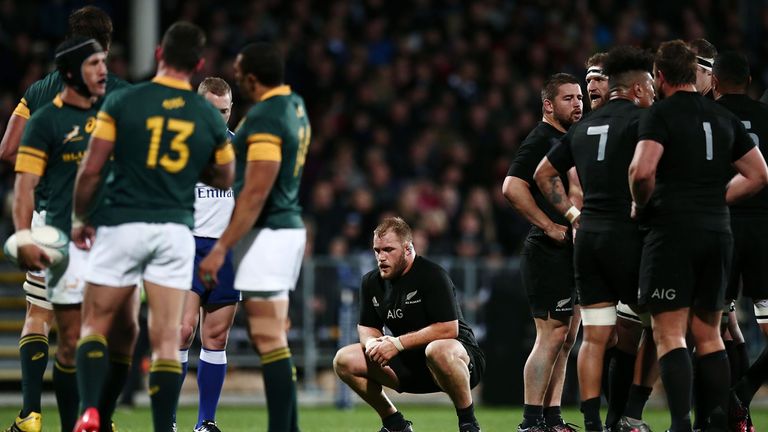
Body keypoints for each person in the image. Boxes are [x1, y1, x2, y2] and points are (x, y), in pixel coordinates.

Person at [70, 21, 234, 432]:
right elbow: (227, 176)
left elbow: (91, 169)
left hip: (123, 223)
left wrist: (81, 217)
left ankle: (90, 408)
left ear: (159, 53)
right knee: (166, 337)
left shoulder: (124, 101)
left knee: (98, 321)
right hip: (175, 233)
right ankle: (166, 427)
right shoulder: (203, 116)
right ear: (197, 63)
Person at [0, 7, 130, 432]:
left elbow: (6, 150)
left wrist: (47, 159)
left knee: (40, 317)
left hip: (49, 218)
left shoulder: (40, 91)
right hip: (103, 227)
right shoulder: (119, 92)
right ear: (105, 48)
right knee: (97, 330)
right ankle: (94, 417)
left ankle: (31, 414)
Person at [628, 39, 768, 432]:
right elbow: (759, 174)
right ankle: (718, 420)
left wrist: (641, 205)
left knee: (670, 332)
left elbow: (641, 171)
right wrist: (717, 198)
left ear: (659, 76)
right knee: (710, 334)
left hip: (674, 232)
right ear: (696, 75)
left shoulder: (661, 114)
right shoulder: (722, 115)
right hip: (718, 232)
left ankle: (680, 425)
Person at [534, 46, 655, 432]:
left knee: (594, 336)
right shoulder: (644, 121)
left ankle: (592, 424)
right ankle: (637, 417)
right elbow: (644, 172)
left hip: (589, 239)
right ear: (637, 88)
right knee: (659, 329)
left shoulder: (584, 127)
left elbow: (543, 174)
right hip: (629, 235)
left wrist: (573, 216)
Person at [197, 41, 308, 432]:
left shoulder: (263, 118)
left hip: (267, 233)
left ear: (253, 77)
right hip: (285, 228)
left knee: (268, 339)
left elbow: (256, 191)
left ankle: (283, 427)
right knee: (272, 338)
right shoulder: (295, 105)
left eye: (242, 71)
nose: (238, 76)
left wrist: (224, 246)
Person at [333, 217, 485, 432]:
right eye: (377, 250)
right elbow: (367, 327)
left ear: (407, 249)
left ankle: (469, 424)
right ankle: (395, 425)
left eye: (388, 249)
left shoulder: (432, 275)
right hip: (410, 363)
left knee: (437, 349)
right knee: (344, 360)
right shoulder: (371, 282)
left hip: (457, 361)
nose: (381, 257)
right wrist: (373, 345)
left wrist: (397, 343)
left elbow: (449, 329)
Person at [502, 73, 583, 432]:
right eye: (568, 98)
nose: (578, 103)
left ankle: (552, 419)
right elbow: (511, 186)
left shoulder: (567, 139)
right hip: (547, 250)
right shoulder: (542, 138)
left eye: (580, 97)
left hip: (570, 251)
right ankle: (530, 421)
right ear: (548, 105)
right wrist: (549, 226)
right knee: (550, 336)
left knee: (566, 340)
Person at [176, 77, 239, 432]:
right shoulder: (178, 147)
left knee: (215, 338)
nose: (219, 119)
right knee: (182, 331)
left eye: (225, 111)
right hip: (188, 245)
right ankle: (167, 420)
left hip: (226, 249)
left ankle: (205, 423)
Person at [713, 50, 768, 431]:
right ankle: (743, 392)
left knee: (712, 326)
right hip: (765, 230)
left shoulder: (707, 118)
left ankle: (718, 410)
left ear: (714, 82)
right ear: (748, 82)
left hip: (722, 227)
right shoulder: (767, 117)